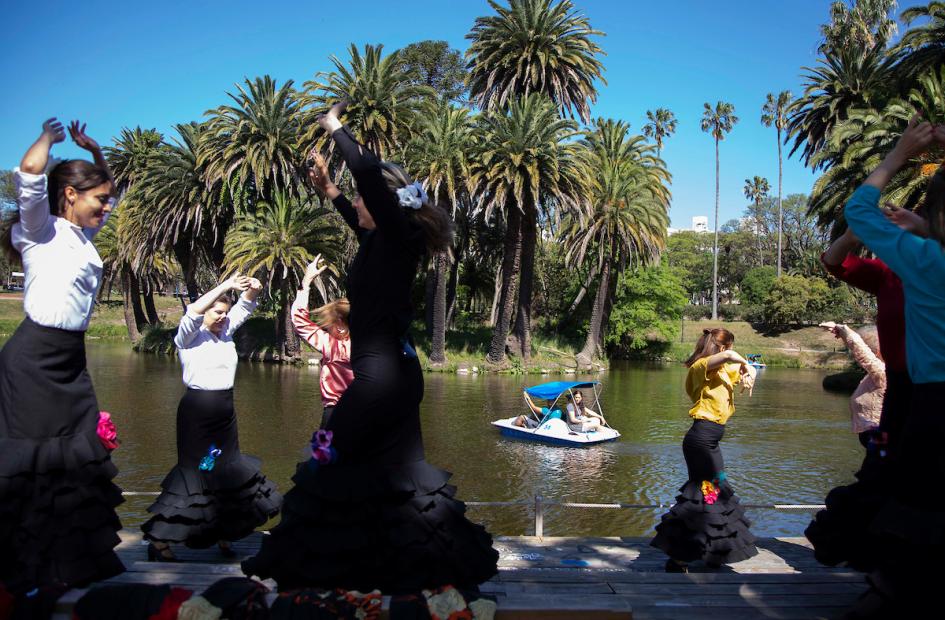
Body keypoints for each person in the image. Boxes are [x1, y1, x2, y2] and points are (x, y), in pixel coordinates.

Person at [242, 102, 498, 593]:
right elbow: (357, 210)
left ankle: (316, 574)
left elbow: (367, 173)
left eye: (365, 199)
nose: (358, 205)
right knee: (392, 477)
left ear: (385, 204)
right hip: (396, 376)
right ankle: (406, 573)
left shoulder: (398, 237)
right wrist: (329, 191)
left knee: (326, 457)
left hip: (380, 379)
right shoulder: (384, 244)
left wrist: (335, 127)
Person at [0, 119, 125, 591]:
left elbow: (105, 186)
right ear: (70, 195)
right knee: (32, 464)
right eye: (100, 199)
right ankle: (24, 568)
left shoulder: (84, 236)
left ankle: (68, 563)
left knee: (75, 461)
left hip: (70, 361)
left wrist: (95, 152)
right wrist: (49, 141)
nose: (108, 206)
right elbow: (30, 171)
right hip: (33, 362)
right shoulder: (41, 229)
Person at [835, 116, 945, 617]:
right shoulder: (909, 264)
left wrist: (899, 154)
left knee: (917, 501)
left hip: (929, 398)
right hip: (910, 393)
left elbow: (859, 206)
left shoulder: (923, 262)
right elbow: (834, 260)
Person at [141, 275, 282, 561]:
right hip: (199, 416)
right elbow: (193, 311)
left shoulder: (226, 332)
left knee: (225, 470)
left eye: (224, 313)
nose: (222, 317)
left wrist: (253, 290)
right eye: (217, 312)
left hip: (225, 413)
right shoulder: (189, 336)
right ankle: (159, 540)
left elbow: (246, 306)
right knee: (198, 472)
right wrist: (226, 285)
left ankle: (223, 532)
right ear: (206, 311)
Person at [651, 328, 758, 573]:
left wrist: (748, 372)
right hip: (700, 439)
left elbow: (740, 368)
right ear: (722, 347)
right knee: (705, 492)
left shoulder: (722, 371)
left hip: (710, 440)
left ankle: (709, 550)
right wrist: (739, 358)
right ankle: (679, 556)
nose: (731, 352)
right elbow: (728, 359)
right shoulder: (701, 366)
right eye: (729, 346)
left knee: (713, 491)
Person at [291, 255, 353, 429]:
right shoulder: (370, 345)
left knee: (322, 453)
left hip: (335, 414)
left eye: (329, 324)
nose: (327, 329)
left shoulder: (334, 347)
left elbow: (299, 321)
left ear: (340, 324)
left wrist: (307, 280)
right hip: (364, 413)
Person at [822, 322, 885, 447]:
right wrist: (842, 333)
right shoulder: (877, 374)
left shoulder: (882, 373)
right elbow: (859, 351)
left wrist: (843, 330)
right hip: (873, 437)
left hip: (878, 438)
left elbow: (861, 351)